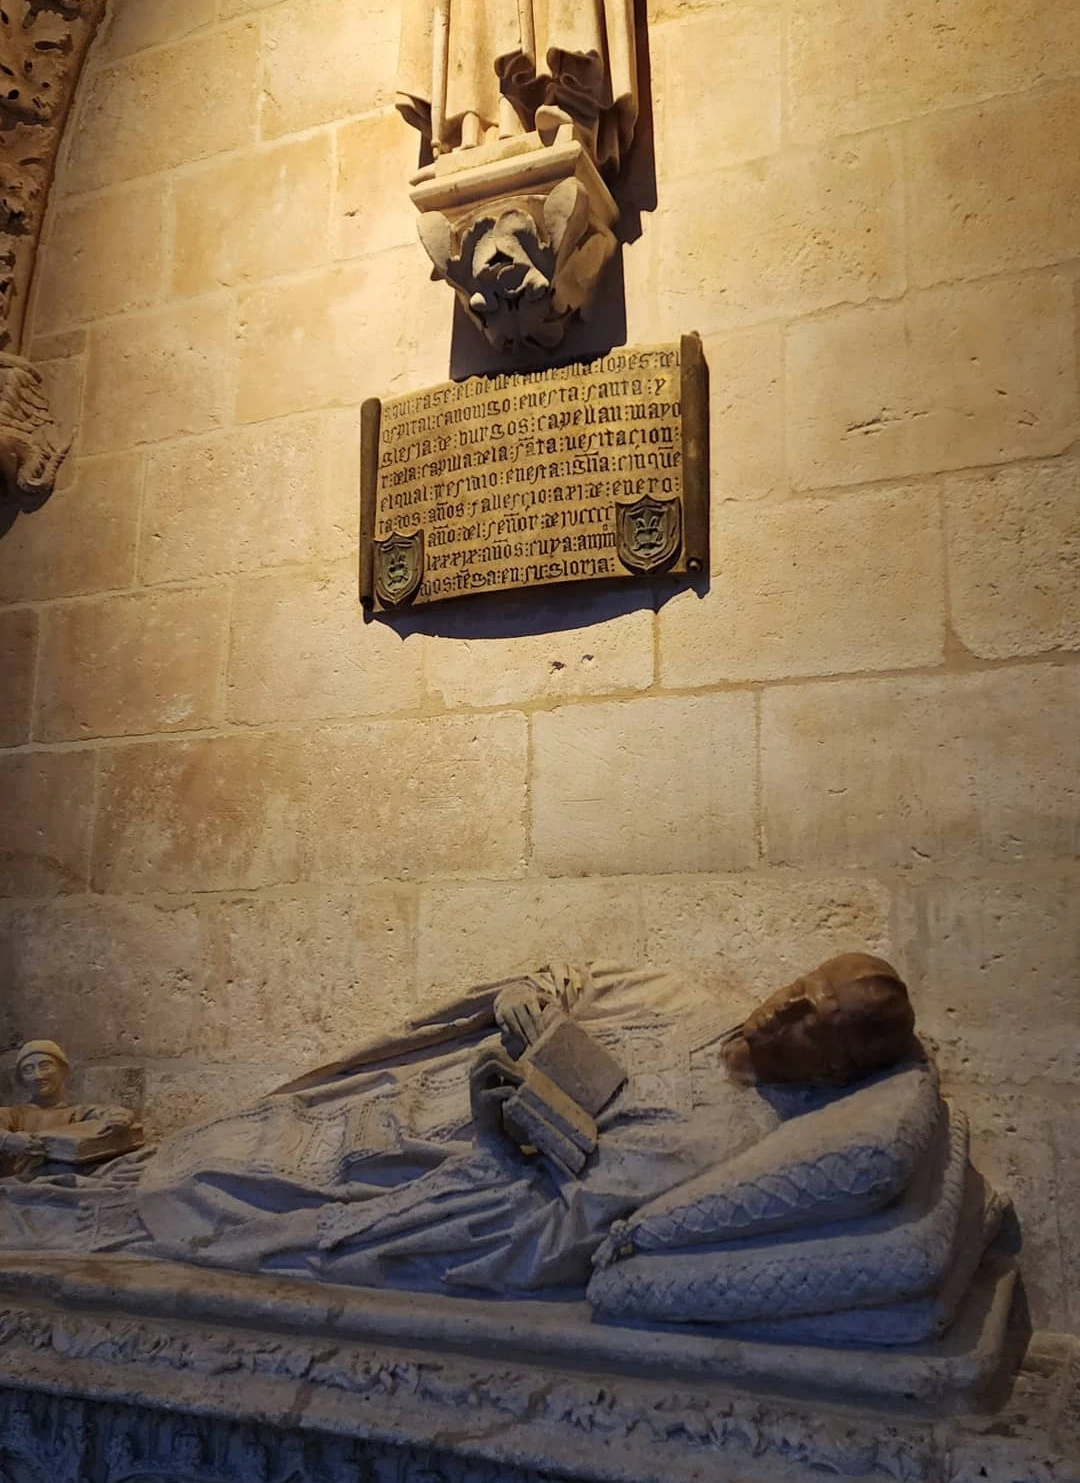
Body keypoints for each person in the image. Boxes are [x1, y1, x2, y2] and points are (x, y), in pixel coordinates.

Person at [0, 1041, 137, 1179]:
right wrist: (8, 1139)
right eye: (28, 1070)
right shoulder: (13, 1114)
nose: (38, 1076)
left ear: (62, 1070)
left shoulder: (76, 1113)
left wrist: (119, 1117)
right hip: (23, 1181)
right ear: (22, 1080)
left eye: (45, 1066)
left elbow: (112, 1112)